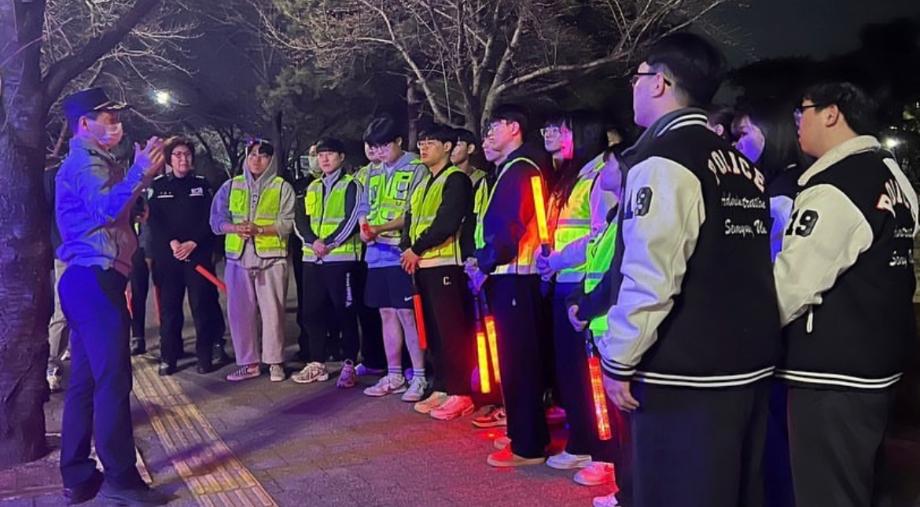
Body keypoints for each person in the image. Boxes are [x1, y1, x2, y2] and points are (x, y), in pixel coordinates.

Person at [598, 33, 779, 507]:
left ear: (660, 82)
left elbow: (651, 274)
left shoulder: (665, 161)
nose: (633, 86)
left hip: (683, 374)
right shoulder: (739, 164)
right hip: (746, 364)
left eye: (638, 76)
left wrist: (619, 359)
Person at [775, 81, 918, 507]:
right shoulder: (891, 176)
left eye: (802, 111)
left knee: (827, 493)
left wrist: (736, 336)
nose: (797, 123)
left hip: (831, 376)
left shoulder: (836, 186)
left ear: (831, 113)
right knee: (867, 487)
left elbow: (790, 285)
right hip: (878, 368)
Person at [55, 87, 170, 505]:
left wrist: (141, 178)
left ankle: (78, 475)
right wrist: (139, 172)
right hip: (95, 279)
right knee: (112, 381)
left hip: (87, 281)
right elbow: (105, 209)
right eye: (108, 117)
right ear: (84, 123)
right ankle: (122, 480)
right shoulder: (85, 162)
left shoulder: (94, 161)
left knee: (86, 382)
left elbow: (112, 211)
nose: (116, 124)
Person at [535, 111, 620, 488]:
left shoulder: (602, 176)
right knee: (571, 371)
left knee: (588, 375)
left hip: (584, 284)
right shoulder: (576, 176)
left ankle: (601, 451)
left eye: (564, 130)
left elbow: (599, 236)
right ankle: (582, 440)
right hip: (566, 281)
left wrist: (557, 260)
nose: (556, 136)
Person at [467, 104, 552, 467]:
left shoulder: (521, 169)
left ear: (514, 128)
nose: (487, 134)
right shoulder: (513, 168)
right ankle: (521, 432)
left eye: (494, 127)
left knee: (519, 362)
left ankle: (527, 445)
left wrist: (484, 264)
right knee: (514, 361)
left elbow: (508, 229)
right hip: (511, 275)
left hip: (515, 276)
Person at [565, 146, 628, 507]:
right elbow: (594, 265)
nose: (603, 172)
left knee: (620, 418)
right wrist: (578, 301)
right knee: (610, 413)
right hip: (597, 323)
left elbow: (614, 275)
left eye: (610, 165)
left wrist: (585, 307)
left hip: (612, 324)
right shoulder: (614, 216)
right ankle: (620, 484)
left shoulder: (627, 219)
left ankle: (624, 487)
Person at [400, 125, 475, 416]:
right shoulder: (422, 184)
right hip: (422, 266)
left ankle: (461, 391)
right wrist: (408, 248)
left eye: (430, 142)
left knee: (451, 332)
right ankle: (442, 386)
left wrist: (416, 248)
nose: (423, 148)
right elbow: (411, 220)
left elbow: (447, 222)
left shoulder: (456, 179)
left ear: (447, 146)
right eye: (421, 143)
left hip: (446, 265)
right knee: (432, 333)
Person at [210, 140, 295, 383]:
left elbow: (287, 223)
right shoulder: (231, 186)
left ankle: (275, 362)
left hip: (272, 258)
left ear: (272, 160)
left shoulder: (282, 187)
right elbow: (216, 220)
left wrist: (260, 230)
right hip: (238, 258)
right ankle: (249, 363)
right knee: (240, 314)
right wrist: (235, 228)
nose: (257, 160)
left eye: (263, 155)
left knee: (273, 313)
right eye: (252, 155)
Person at [357, 116, 428, 395]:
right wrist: (364, 228)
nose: (380, 152)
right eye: (375, 147)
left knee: (407, 315)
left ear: (399, 141)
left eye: (385, 146)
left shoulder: (416, 168)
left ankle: (419, 375)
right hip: (376, 254)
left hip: (401, 253)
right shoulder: (372, 172)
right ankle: (394, 374)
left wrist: (380, 228)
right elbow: (364, 205)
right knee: (386, 313)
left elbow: (414, 211)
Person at [147, 137, 225, 376]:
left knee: (202, 307)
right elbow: (154, 220)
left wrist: (193, 243)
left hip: (197, 256)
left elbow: (210, 219)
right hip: (169, 257)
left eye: (187, 154)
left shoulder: (202, 185)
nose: (183, 159)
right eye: (178, 155)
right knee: (170, 310)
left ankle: (205, 356)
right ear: (169, 160)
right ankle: (168, 357)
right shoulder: (158, 186)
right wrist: (172, 243)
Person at [291, 138, 363, 385]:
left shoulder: (352, 185)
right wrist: (313, 242)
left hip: (341, 259)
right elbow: (299, 220)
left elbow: (353, 219)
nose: (324, 159)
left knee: (345, 312)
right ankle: (316, 362)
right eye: (320, 155)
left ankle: (349, 363)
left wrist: (330, 243)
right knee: (312, 311)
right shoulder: (311, 188)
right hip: (313, 259)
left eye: (330, 154)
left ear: (341, 157)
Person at [732, 102, 807, 260]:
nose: (737, 145)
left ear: (770, 132)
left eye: (743, 134)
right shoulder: (793, 180)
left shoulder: (779, 197)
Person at [352, 142, 387, 376]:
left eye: (378, 145)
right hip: (364, 251)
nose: (373, 150)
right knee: (367, 308)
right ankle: (372, 358)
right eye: (369, 145)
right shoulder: (359, 176)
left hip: (391, 249)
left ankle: (405, 365)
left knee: (396, 312)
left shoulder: (400, 170)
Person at [44, 164, 69, 393]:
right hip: (65, 253)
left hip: (91, 253)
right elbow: (45, 214)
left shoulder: (95, 171)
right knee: (63, 310)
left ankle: (66, 355)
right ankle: (51, 365)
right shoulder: (54, 176)